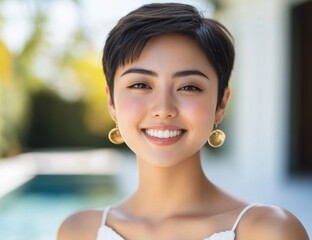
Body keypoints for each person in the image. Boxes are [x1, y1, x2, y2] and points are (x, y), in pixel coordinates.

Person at [57, 3, 309, 240]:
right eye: (140, 85)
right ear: (111, 102)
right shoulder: (79, 232)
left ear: (221, 103)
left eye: (188, 87)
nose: (163, 109)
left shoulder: (269, 231)